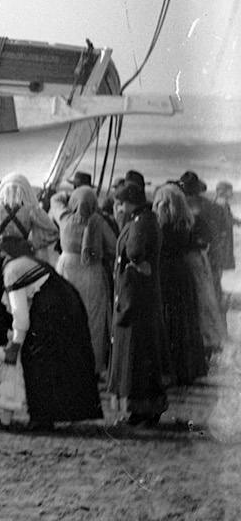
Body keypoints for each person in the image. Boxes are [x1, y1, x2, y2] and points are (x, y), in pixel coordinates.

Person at [0, 231, 102, 432]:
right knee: (55, 361)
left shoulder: (11, 271)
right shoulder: (27, 261)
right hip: (66, 304)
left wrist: (15, 344)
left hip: (53, 310)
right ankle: (48, 414)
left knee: (38, 359)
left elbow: (21, 316)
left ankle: (42, 417)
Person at [108, 179, 169, 427]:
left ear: (127, 203)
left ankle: (142, 411)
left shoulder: (139, 223)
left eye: (120, 204)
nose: (118, 209)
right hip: (143, 297)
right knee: (141, 356)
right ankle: (143, 410)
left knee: (135, 356)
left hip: (136, 298)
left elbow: (133, 252)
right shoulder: (146, 219)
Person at [152, 182, 210, 386]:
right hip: (182, 274)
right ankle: (186, 369)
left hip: (165, 273)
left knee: (168, 320)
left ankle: (170, 370)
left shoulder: (163, 225)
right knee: (184, 321)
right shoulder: (185, 223)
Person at [55, 185, 114, 383]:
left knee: (67, 318)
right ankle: (93, 365)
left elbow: (55, 199)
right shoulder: (99, 221)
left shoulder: (64, 219)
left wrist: (68, 194)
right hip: (92, 270)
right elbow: (114, 245)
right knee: (94, 321)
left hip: (67, 269)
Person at [175, 173, 229, 357]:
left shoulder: (181, 205)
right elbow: (219, 234)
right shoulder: (212, 206)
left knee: (194, 298)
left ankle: (200, 342)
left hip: (189, 258)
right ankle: (212, 340)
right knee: (209, 298)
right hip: (208, 257)